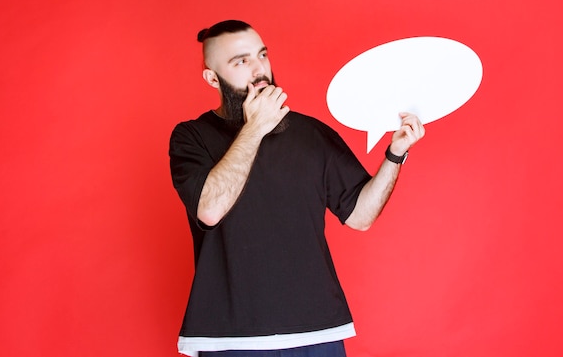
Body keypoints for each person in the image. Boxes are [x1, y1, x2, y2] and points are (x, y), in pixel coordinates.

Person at [169, 20, 425, 357]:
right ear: (212, 78)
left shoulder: (311, 135)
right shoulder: (191, 137)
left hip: (318, 332)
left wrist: (395, 154)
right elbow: (210, 209)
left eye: (262, 55)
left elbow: (360, 216)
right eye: (241, 61)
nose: (260, 69)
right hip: (230, 338)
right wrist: (255, 128)